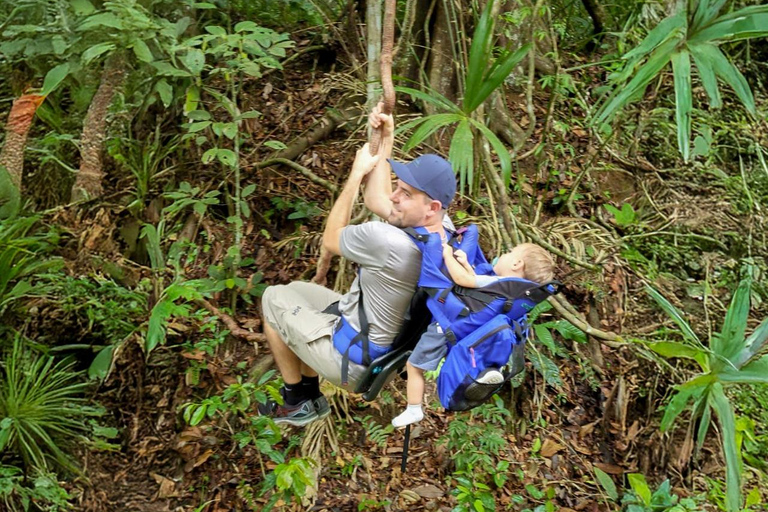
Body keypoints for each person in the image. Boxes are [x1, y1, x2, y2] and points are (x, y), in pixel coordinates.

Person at [258, 105, 457, 425]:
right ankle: (310, 393)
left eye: (405, 193)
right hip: (376, 344)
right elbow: (377, 200)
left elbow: (331, 239)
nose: (394, 196)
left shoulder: (388, 242)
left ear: (431, 206)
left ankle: (296, 401)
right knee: (296, 290)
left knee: (272, 298)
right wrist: (386, 138)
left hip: (350, 361)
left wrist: (355, 173)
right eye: (398, 186)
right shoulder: (441, 231)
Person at [391, 242, 555, 428]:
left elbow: (463, 280)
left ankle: (414, 408)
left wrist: (447, 255)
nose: (504, 253)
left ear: (516, 264)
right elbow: (478, 287)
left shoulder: (503, 284)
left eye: (509, 251)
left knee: (414, 366)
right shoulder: (514, 294)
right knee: (416, 365)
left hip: (444, 330)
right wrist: (468, 266)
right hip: (463, 335)